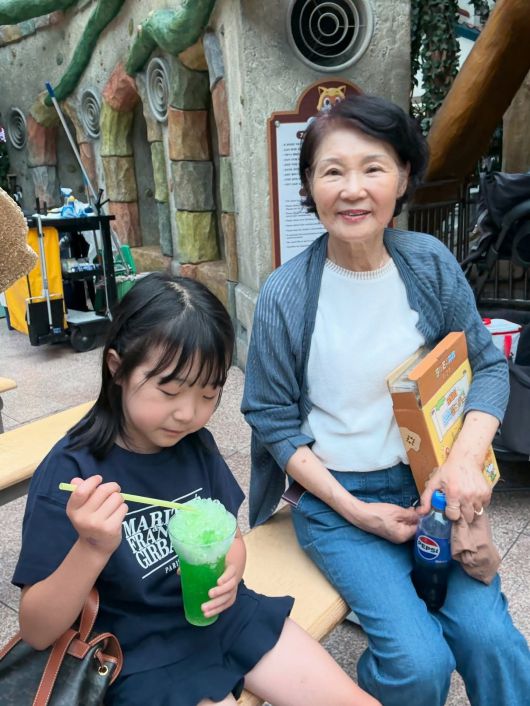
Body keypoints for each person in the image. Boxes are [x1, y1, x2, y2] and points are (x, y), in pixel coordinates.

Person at [241, 94, 530, 706]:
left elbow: (486, 364)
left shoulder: (428, 263)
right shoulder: (285, 295)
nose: (353, 189)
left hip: (432, 488)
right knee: (418, 664)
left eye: (372, 168)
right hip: (338, 499)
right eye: (332, 171)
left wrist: (463, 465)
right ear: (309, 186)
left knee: (493, 642)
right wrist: (355, 510)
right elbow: (271, 419)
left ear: (402, 177)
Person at [12, 272, 379, 706]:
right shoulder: (73, 473)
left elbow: (230, 539)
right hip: (140, 654)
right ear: (117, 368)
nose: (188, 414)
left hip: (225, 618)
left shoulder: (195, 446)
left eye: (208, 394)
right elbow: (37, 631)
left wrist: (232, 572)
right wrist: (91, 548)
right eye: (170, 390)